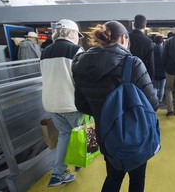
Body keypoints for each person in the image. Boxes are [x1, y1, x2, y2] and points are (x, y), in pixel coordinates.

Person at [71, 20, 159, 192]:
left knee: (113, 176)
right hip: (135, 135)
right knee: (137, 179)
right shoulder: (132, 64)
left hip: (106, 135)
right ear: (124, 39)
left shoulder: (80, 64)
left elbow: (81, 104)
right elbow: (153, 104)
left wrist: (104, 112)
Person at [40, 19, 85, 187]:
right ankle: (74, 165)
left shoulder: (45, 51)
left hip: (51, 103)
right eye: (77, 35)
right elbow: (81, 79)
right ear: (71, 33)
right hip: (71, 103)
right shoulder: (76, 50)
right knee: (81, 134)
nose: (77, 38)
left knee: (65, 135)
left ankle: (61, 171)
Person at [129, 14, 155, 80]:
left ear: (134, 24)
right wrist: (150, 78)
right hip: (142, 74)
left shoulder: (126, 37)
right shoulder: (148, 41)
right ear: (145, 26)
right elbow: (150, 62)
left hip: (127, 73)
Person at [153, 34, 166, 103]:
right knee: (162, 88)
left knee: (154, 87)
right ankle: (160, 100)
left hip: (154, 71)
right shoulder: (164, 50)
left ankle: (154, 100)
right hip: (163, 71)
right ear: (162, 41)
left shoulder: (152, 49)